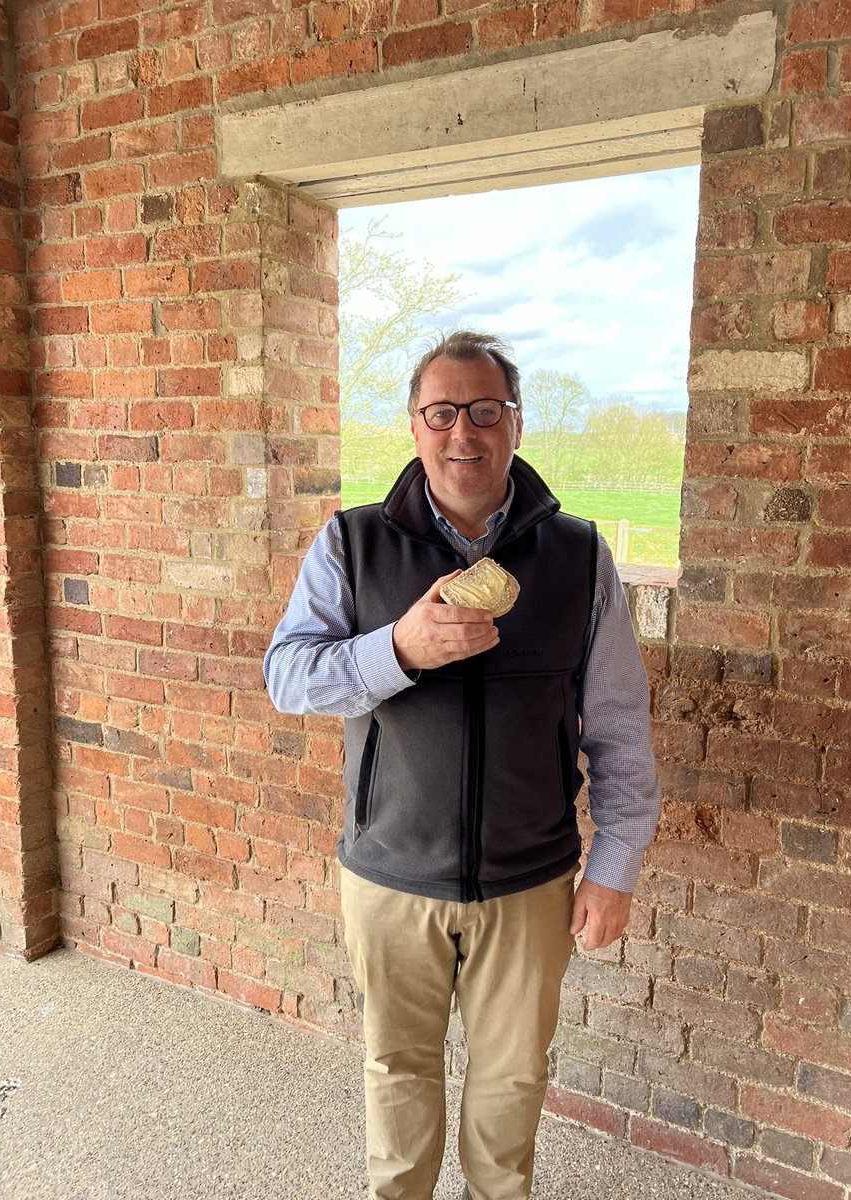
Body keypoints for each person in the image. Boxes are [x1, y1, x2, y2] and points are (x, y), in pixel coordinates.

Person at [264, 331, 660, 1200]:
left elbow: (622, 728)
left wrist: (615, 865)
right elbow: (286, 675)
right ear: (415, 427)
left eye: (486, 411)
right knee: (397, 1076)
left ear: (516, 424)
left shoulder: (580, 556)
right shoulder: (352, 544)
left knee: (512, 1089)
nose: (463, 434)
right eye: (441, 412)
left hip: (530, 879)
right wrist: (397, 648)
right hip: (390, 873)